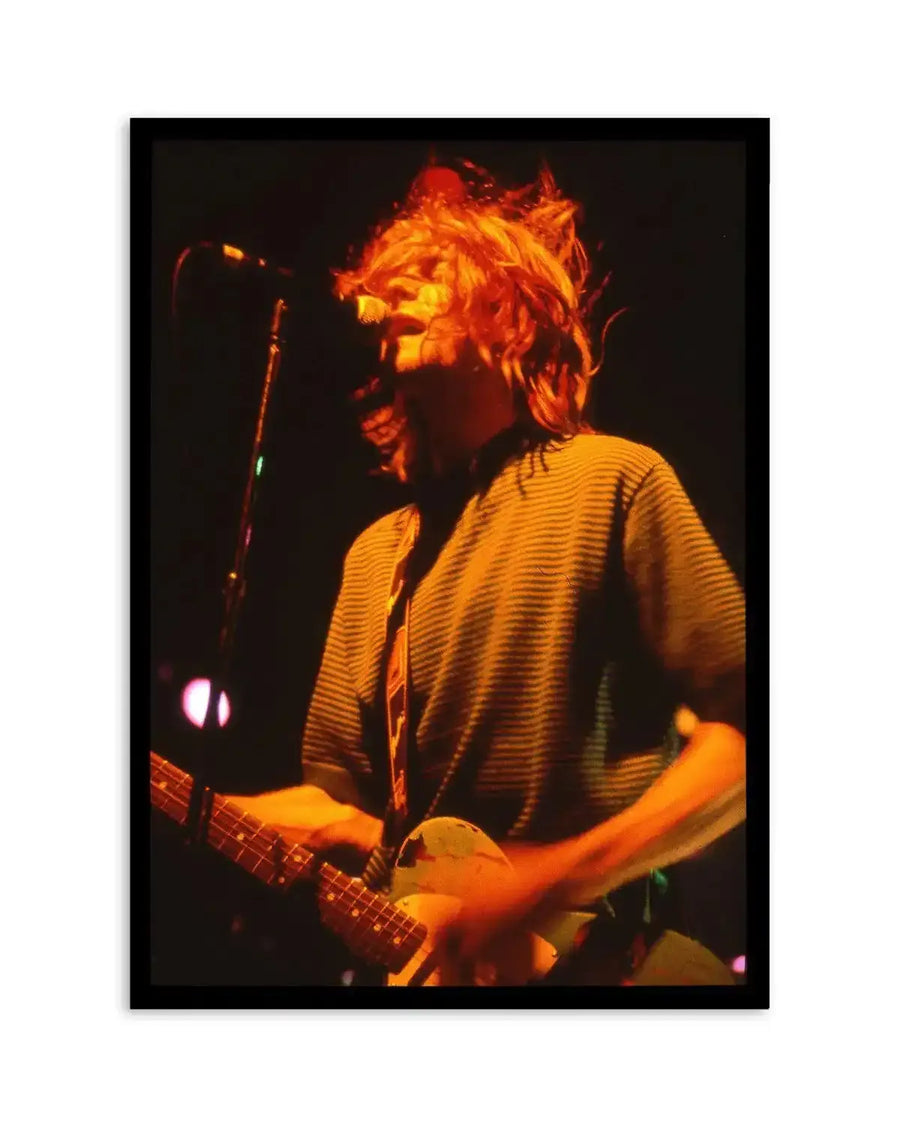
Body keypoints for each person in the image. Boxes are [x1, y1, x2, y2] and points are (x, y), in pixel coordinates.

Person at [230, 160, 746, 985]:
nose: (395, 294)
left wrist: (561, 877)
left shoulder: (615, 481)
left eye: (431, 273)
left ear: (511, 310)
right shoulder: (375, 559)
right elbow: (346, 816)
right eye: (387, 281)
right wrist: (203, 813)